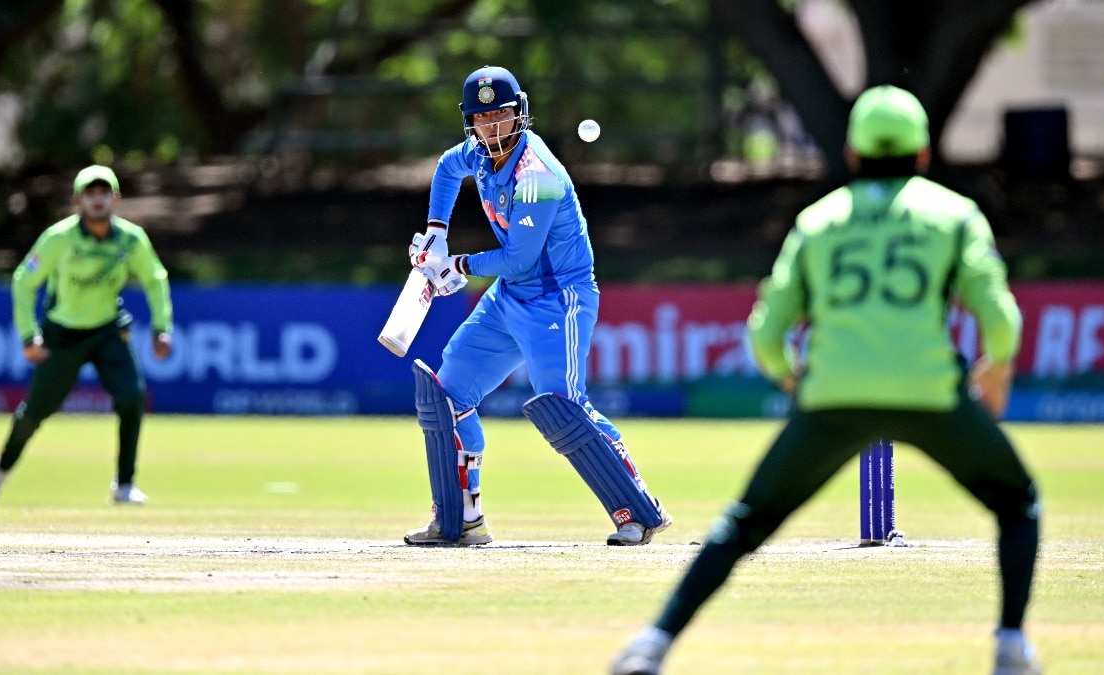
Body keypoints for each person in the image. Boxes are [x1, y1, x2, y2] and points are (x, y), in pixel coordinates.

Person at [611, 86, 1041, 675]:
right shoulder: (954, 215)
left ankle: (652, 644)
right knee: (1018, 504)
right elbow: (1001, 318)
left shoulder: (819, 221)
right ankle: (1011, 647)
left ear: (852, 154)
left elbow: (766, 332)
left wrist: (791, 379)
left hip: (832, 398)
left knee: (744, 524)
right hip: (931, 394)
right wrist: (997, 368)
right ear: (923, 154)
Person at [401, 65, 671, 547]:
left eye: (500, 115)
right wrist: (437, 233)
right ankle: (462, 520)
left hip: (558, 299)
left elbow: (518, 258)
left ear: (519, 113)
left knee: (563, 406)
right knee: (448, 395)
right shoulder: (478, 154)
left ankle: (639, 510)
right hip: (510, 296)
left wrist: (456, 265)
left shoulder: (537, 176)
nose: (491, 127)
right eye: (481, 118)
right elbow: (445, 168)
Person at [0, 165, 174, 505]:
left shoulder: (131, 240)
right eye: (90, 193)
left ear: (116, 199)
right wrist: (29, 336)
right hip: (62, 334)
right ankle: (2, 467)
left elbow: (155, 280)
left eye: (104, 193)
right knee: (36, 411)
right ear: (77, 201)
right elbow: (24, 281)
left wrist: (162, 328)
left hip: (108, 329)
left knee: (132, 397)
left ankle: (124, 485)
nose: (97, 200)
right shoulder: (59, 238)